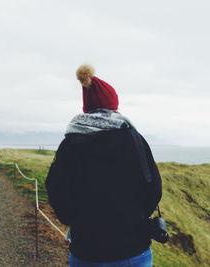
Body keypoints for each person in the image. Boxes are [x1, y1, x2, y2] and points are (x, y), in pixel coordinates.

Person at [45, 65, 162, 267]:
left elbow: (56, 188)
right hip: (133, 247)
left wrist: (76, 221)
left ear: (86, 105)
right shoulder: (133, 139)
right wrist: (135, 217)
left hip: (87, 249)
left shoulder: (70, 142)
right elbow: (153, 188)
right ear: (113, 103)